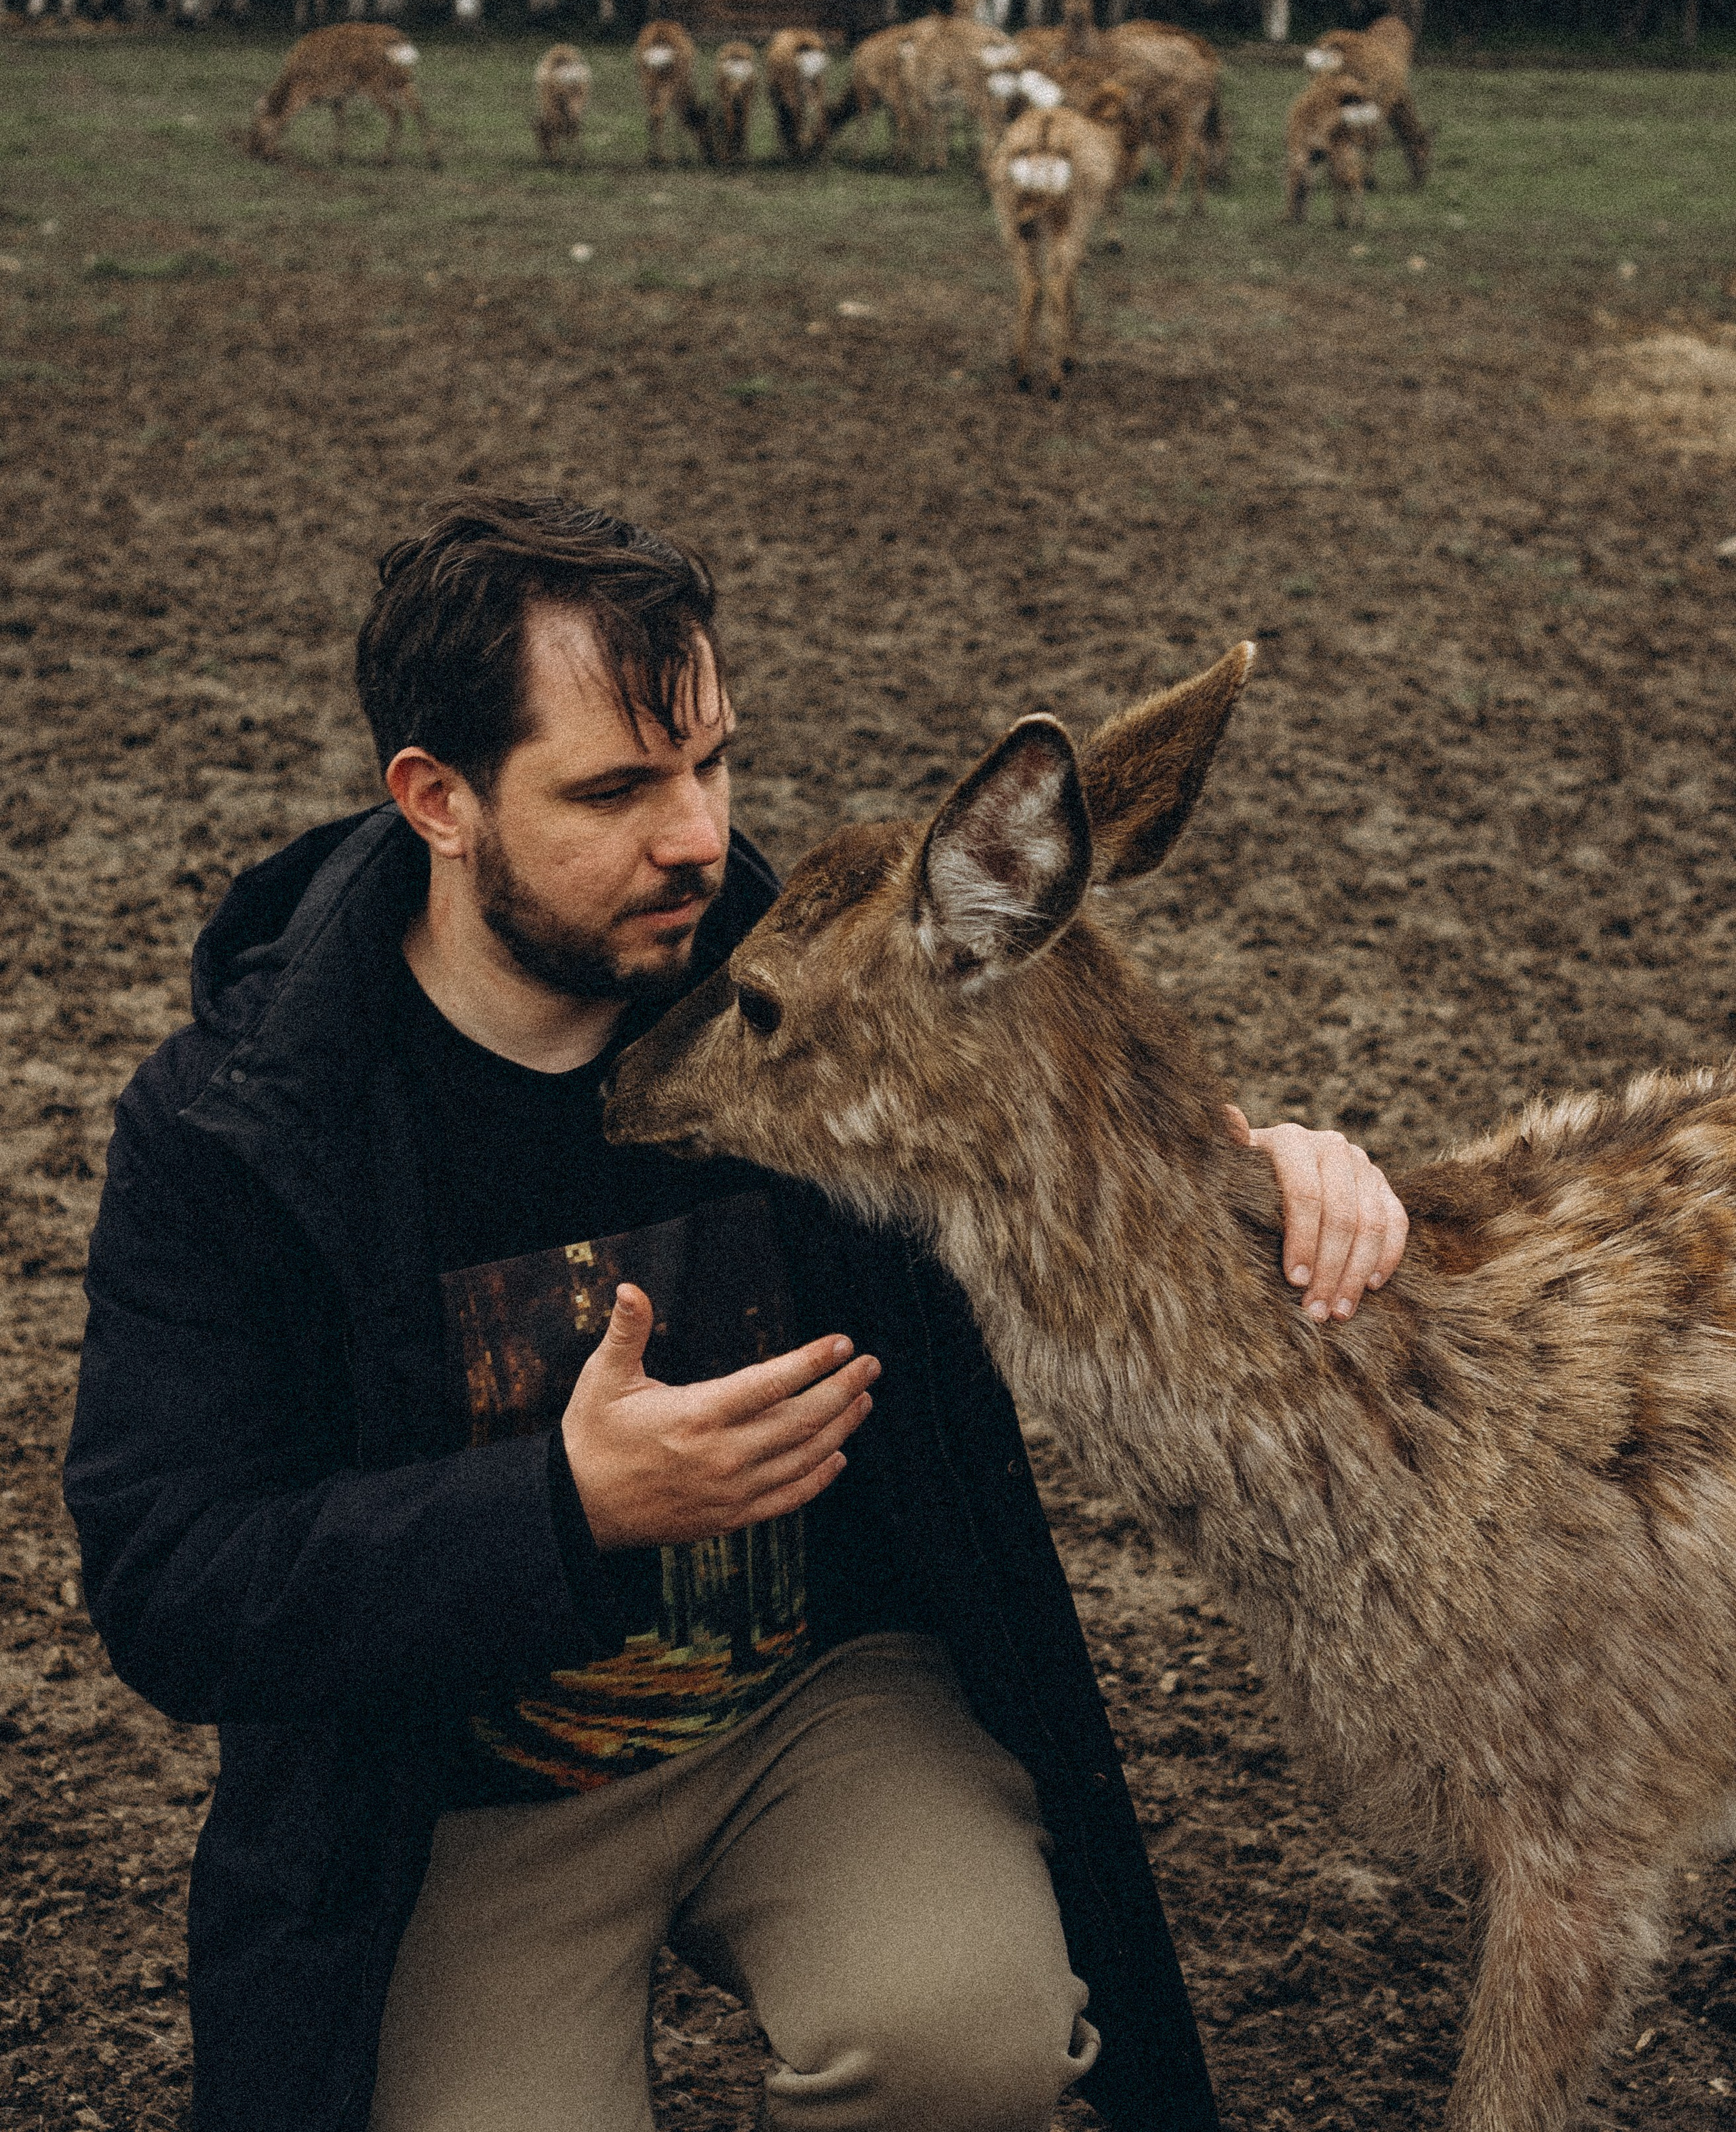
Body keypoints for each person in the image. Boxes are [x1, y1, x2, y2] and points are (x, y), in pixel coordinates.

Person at [64, 496, 1408, 2132]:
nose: (696, 836)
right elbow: (172, 1584)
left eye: (709, 762)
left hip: (816, 1708)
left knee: (963, 2043)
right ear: (439, 800)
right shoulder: (242, 1128)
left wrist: (1283, 1180)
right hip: (466, 1791)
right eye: (616, 789)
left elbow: (1082, 1164)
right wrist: (562, 1511)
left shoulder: (831, 1009)